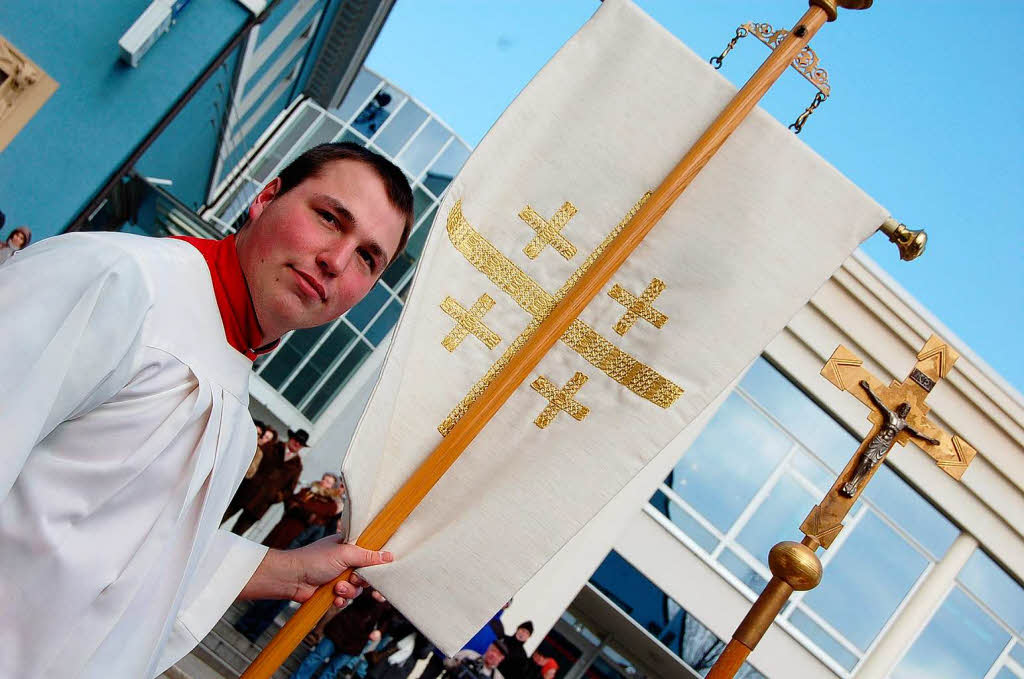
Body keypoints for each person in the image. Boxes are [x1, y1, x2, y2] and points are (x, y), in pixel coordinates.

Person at [0, 142, 414, 677]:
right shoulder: (117, 280)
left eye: (366, 257)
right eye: (330, 218)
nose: (335, 261)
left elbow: (123, 565)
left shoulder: (235, 407)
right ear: (265, 198)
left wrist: (285, 571)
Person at [223, 427, 309, 535]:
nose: (297, 444)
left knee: (235, 535)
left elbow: (289, 489)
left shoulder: (297, 466)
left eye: (300, 443)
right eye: (296, 440)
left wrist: (275, 497)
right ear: (290, 438)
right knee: (218, 519)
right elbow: (253, 460)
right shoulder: (272, 446)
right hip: (244, 492)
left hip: (260, 505)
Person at [291, 588, 392, 679]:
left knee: (332, 670)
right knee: (317, 657)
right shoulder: (370, 587)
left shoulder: (390, 601)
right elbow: (357, 595)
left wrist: (379, 631)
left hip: (357, 641)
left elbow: (387, 620)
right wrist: (372, 594)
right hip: (341, 628)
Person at [444, 640, 508, 679]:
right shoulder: (469, 654)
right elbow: (446, 661)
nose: (493, 655)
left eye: (498, 654)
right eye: (493, 650)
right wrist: (457, 666)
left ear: (501, 659)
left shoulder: (497, 677)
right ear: (488, 648)